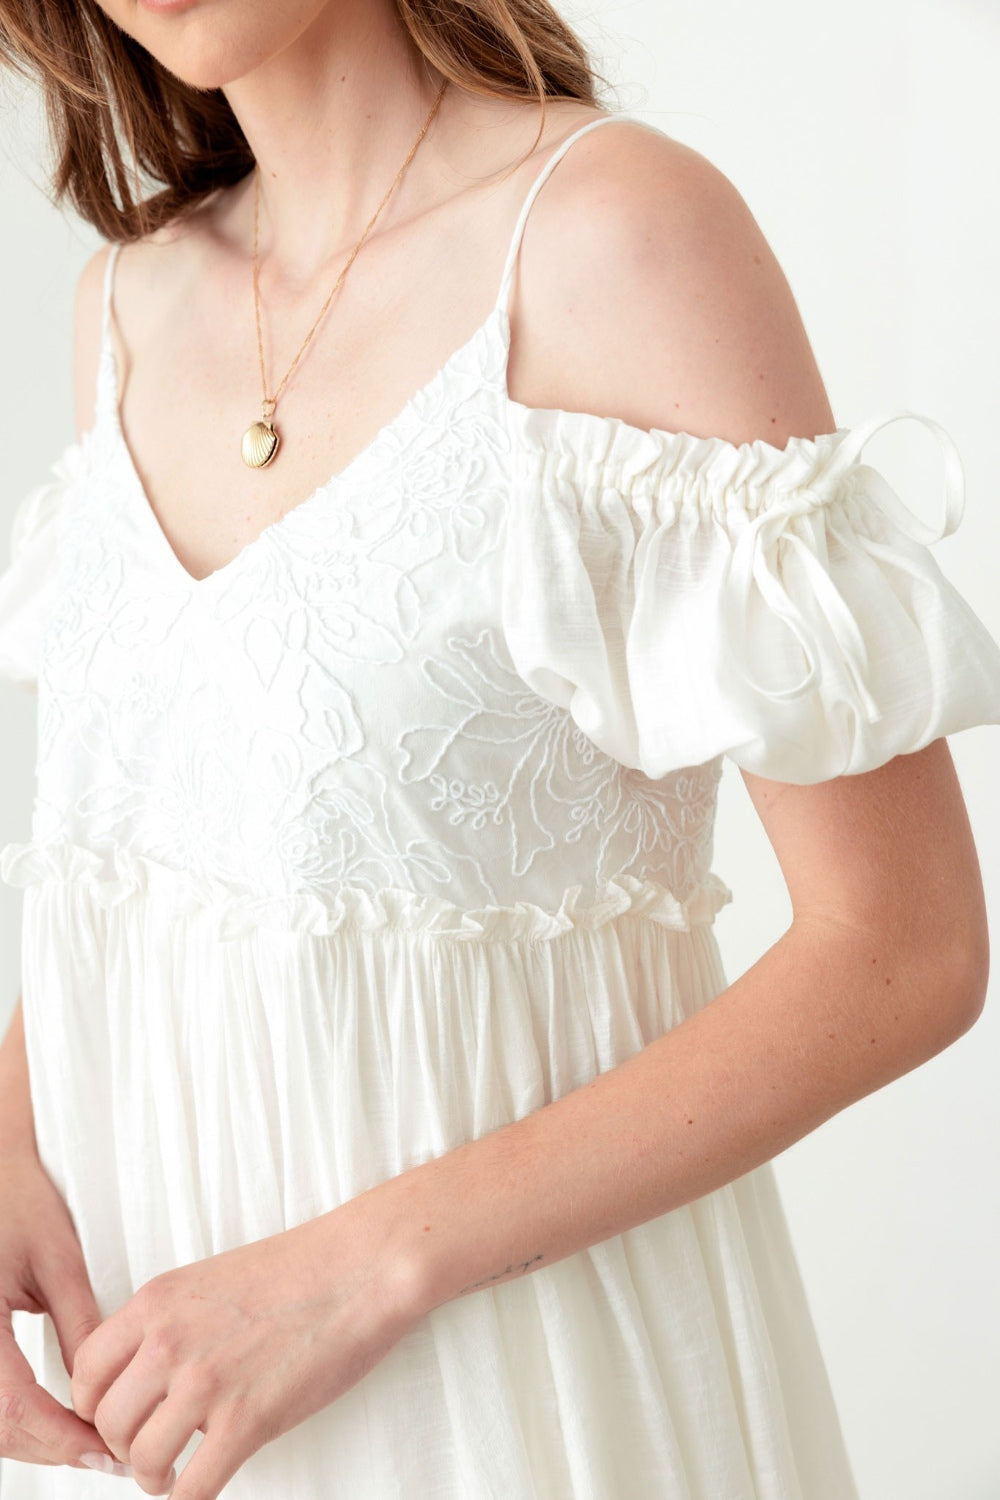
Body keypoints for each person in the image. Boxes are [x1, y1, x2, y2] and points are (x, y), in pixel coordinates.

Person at [0, 1, 998, 1496]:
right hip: (156, 1400)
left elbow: (904, 946)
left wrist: (358, 1271)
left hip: (516, 1407)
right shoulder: (124, 306)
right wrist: (13, 1128)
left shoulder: (611, 237)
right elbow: (169, 846)